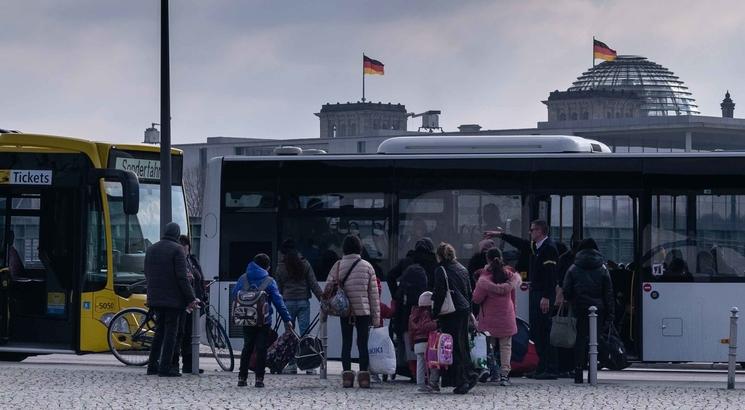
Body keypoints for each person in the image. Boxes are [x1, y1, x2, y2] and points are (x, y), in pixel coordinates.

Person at [485, 219, 560, 379]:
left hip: (543, 294)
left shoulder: (549, 249)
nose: (530, 232)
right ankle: (541, 366)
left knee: (543, 330)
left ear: (540, 231)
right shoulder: (537, 247)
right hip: (537, 293)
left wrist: (546, 296)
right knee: (537, 331)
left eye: (532, 230)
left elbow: (551, 275)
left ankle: (550, 368)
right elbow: (522, 244)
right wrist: (501, 235)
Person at [325, 235, 381, 389]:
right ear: (360, 248)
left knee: (346, 343)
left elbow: (328, 290)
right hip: (363, 311)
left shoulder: (337, 266)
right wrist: (376, 319)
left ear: (344, 248)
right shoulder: (368, 266)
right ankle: (363, 378)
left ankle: (347, 378)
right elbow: (374, 296)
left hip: (345, 311)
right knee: (363, 344)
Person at [145, 222, 199, 377]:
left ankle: (152, 366)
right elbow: (182, 277)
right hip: (173, 300)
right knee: (171, 334)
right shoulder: (177, 250)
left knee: (159, 332)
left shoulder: (151, 249)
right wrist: (191, 298)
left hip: (155, 298)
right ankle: (165, 367)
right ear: (177, 234)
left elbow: (147, 273)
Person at [234, 253, 294, 388]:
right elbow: (279, 302)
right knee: (261, 349)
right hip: (264, 321)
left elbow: (235, 296)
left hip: (247, 318)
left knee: (247, 346)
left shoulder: (243, 278)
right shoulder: (269, 281)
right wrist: (287, 319)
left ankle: (242, 378)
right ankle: (259, 379)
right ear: (267, 267)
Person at [562, 238, 615, 384]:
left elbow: (566, 290)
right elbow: (608, 292)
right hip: (599, 310)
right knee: (594, 341)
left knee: (579, 340)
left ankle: (578, 371)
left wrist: (573, 299)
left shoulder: (573, 267)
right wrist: (610, 313)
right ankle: (593, 372)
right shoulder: (602, 267)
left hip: (579, 308)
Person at [431, 242, 477, 394]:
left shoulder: (440, 270)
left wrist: (434, 312)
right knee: (462, 344)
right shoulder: (462, 268)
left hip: (451, 312)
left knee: (452, 346)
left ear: (439, 256)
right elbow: (469, 291)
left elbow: (439, 293)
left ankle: (462, 380)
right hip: (463, 310)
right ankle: (469, 374)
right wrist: (469, 310)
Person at [473, 248, 521, 386]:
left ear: (487, 259)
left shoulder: (484, 278)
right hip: (507, 316)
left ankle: (491, 371)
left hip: (489, 318)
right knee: (506, 346)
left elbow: (476, 299)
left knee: (489, 346)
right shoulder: (510, 276)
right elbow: (512, 298)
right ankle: (505, 375)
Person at [274, 239, 323, 374]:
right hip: (303, 302)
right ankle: (309, 365)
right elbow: (314, 284)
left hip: (287, 303)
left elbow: (277, 289)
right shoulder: (305, 264)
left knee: (290, 336)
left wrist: (277, 306)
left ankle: (292, 365)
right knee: (305, 335)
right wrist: (323, 300)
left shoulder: (280, 267)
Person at [173, 235, 205, 374]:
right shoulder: (178, 261)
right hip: (184, 303)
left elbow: (199, 278)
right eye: (182, 248)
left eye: (186, 248)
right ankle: (179, 364)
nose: (185, 251)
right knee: (183, 334)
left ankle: (190, 364)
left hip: (194, 302)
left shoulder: (191, 260)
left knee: (191, 335)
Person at [409, 291, 439, 392]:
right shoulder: (427, 313)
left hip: (417, 342)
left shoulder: (413, 314)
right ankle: (433, 381)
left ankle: (420, 383)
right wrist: (436, 323)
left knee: (420, 363)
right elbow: (426, 326)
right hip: (427, 341)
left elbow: (411, 331)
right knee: (433, 362)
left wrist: (411, 343)